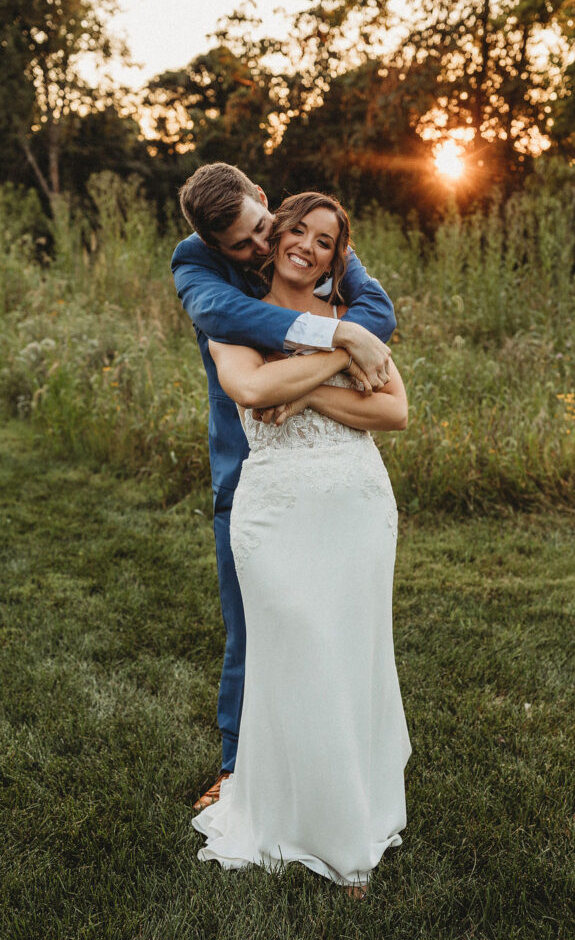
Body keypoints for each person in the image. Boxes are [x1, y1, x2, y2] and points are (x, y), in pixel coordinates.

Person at [191, 192, 411, 895]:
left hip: (356, 504)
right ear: (274, 235)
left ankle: (352, 825)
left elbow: (393, 410)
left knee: (351, 659)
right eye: (298, 233)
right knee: (300, 652)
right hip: (276, 511)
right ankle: (296, 818)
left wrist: (314, 390)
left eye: (325, 241)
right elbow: (250, 388)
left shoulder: (357, 317)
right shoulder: (229, 311)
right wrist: (341, 350)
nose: (308, 248)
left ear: (335, 255)